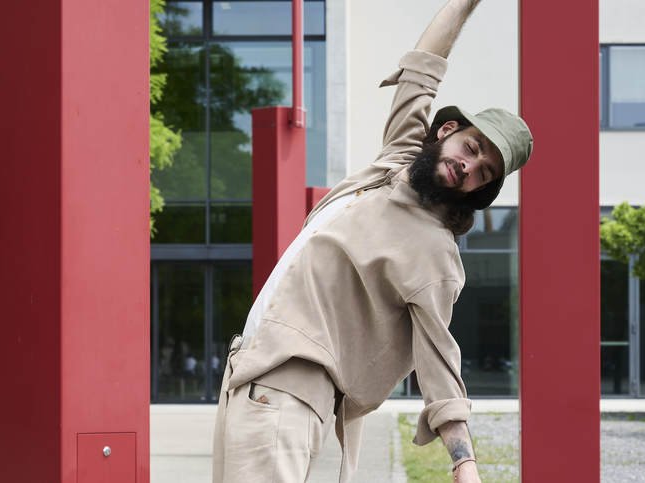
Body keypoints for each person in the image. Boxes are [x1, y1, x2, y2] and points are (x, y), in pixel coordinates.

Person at [212, 0, 533, 482]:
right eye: (471, 147)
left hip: (287, 390)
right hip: (250, 376)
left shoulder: (434, 251)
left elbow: (439, 359)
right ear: (447, 131)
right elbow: (424, 68)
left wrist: (464, 462)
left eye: (483, 171)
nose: (469, 166)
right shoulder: (394, 164)